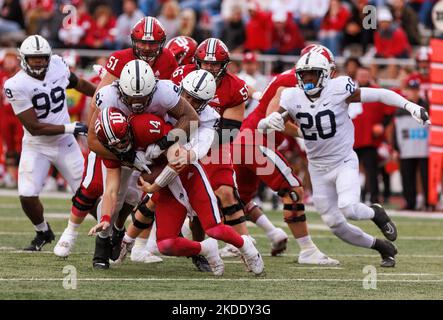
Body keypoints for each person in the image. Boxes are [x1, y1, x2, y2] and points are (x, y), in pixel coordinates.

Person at [258, 51, 430, 267]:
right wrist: (268, 121)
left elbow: (379, 95)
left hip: (343, 161)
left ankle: (375, 212)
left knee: (349, 207)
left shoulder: (339, 88)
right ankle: (381, 246)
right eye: (305, 75)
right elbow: (266, 124)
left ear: (326, 74)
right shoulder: (292, 96)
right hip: (317, 168)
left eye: (313, 74)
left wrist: (410, 106)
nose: (308, 79)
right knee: (334, 224)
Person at [54, 17, 178, 259]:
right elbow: (95, 125)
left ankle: (119, 234)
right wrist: (121, 149)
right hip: (116, 130)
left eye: (153, 44)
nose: (147, 48)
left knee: (133, 194)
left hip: (146, 129)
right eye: (142, 43)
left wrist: (166, 140)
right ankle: (71, 234)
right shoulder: (114, 80)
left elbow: (175, 107)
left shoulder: (167, 65)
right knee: (94, 185)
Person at [230, 45, 338, 264]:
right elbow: (272, 119)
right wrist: (304, 133)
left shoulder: (297, 79)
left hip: (246, 141)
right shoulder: (293, 82)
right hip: (254, 141)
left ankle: (235, 243)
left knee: (238, 200)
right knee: (294, 190)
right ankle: (307, 250)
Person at [87, 59, 199, 269]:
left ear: (154, 87)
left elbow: (190, 119)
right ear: (121, 90)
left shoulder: (164, 91)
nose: (137, 104)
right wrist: (128, 156)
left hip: (154, 135)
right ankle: (103, 242)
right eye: (132, 98)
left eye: (143, 98)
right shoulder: (108, 97)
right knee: (117, 195)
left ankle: (192, 230)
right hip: (118, 145)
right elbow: (92, 141)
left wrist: (166, 142)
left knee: (137, 194)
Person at [3, 34, 96, 251]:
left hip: (64, 143)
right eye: (34, 58)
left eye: (42, 58)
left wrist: (104, 93)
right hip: (37, 145)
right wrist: (72, 127)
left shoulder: (57, 65)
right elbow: (34, 127)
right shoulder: (16, 84)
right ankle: (43, 231)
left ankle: (110, 233)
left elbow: (78, 83)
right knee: (27, 195)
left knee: (87, 192)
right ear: (23, 59)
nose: (39, 62)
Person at [171, 38, 252, 250]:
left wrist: (199, 146)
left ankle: (244, 244)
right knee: (159, 194)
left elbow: (229, 132)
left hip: (213, 143)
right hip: (179, 138)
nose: (209, 67)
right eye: (206, 63)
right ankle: (139, 242)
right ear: (196, 61)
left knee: (225, 192)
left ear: (224, 65)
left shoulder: (235, 87)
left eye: (215, 64)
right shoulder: (181, 74)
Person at [393, 75, 430, 210]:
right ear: (406, 90)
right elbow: (396, 130)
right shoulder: (400, 109)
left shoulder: (427, 107)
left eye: (415, 89)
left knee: (427, 177)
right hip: (406, 148)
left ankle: (429, 202)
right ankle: (410, 203)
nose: (413, 92)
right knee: (407, 177)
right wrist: (396, 148)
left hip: (425, 148)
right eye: (410, 89)